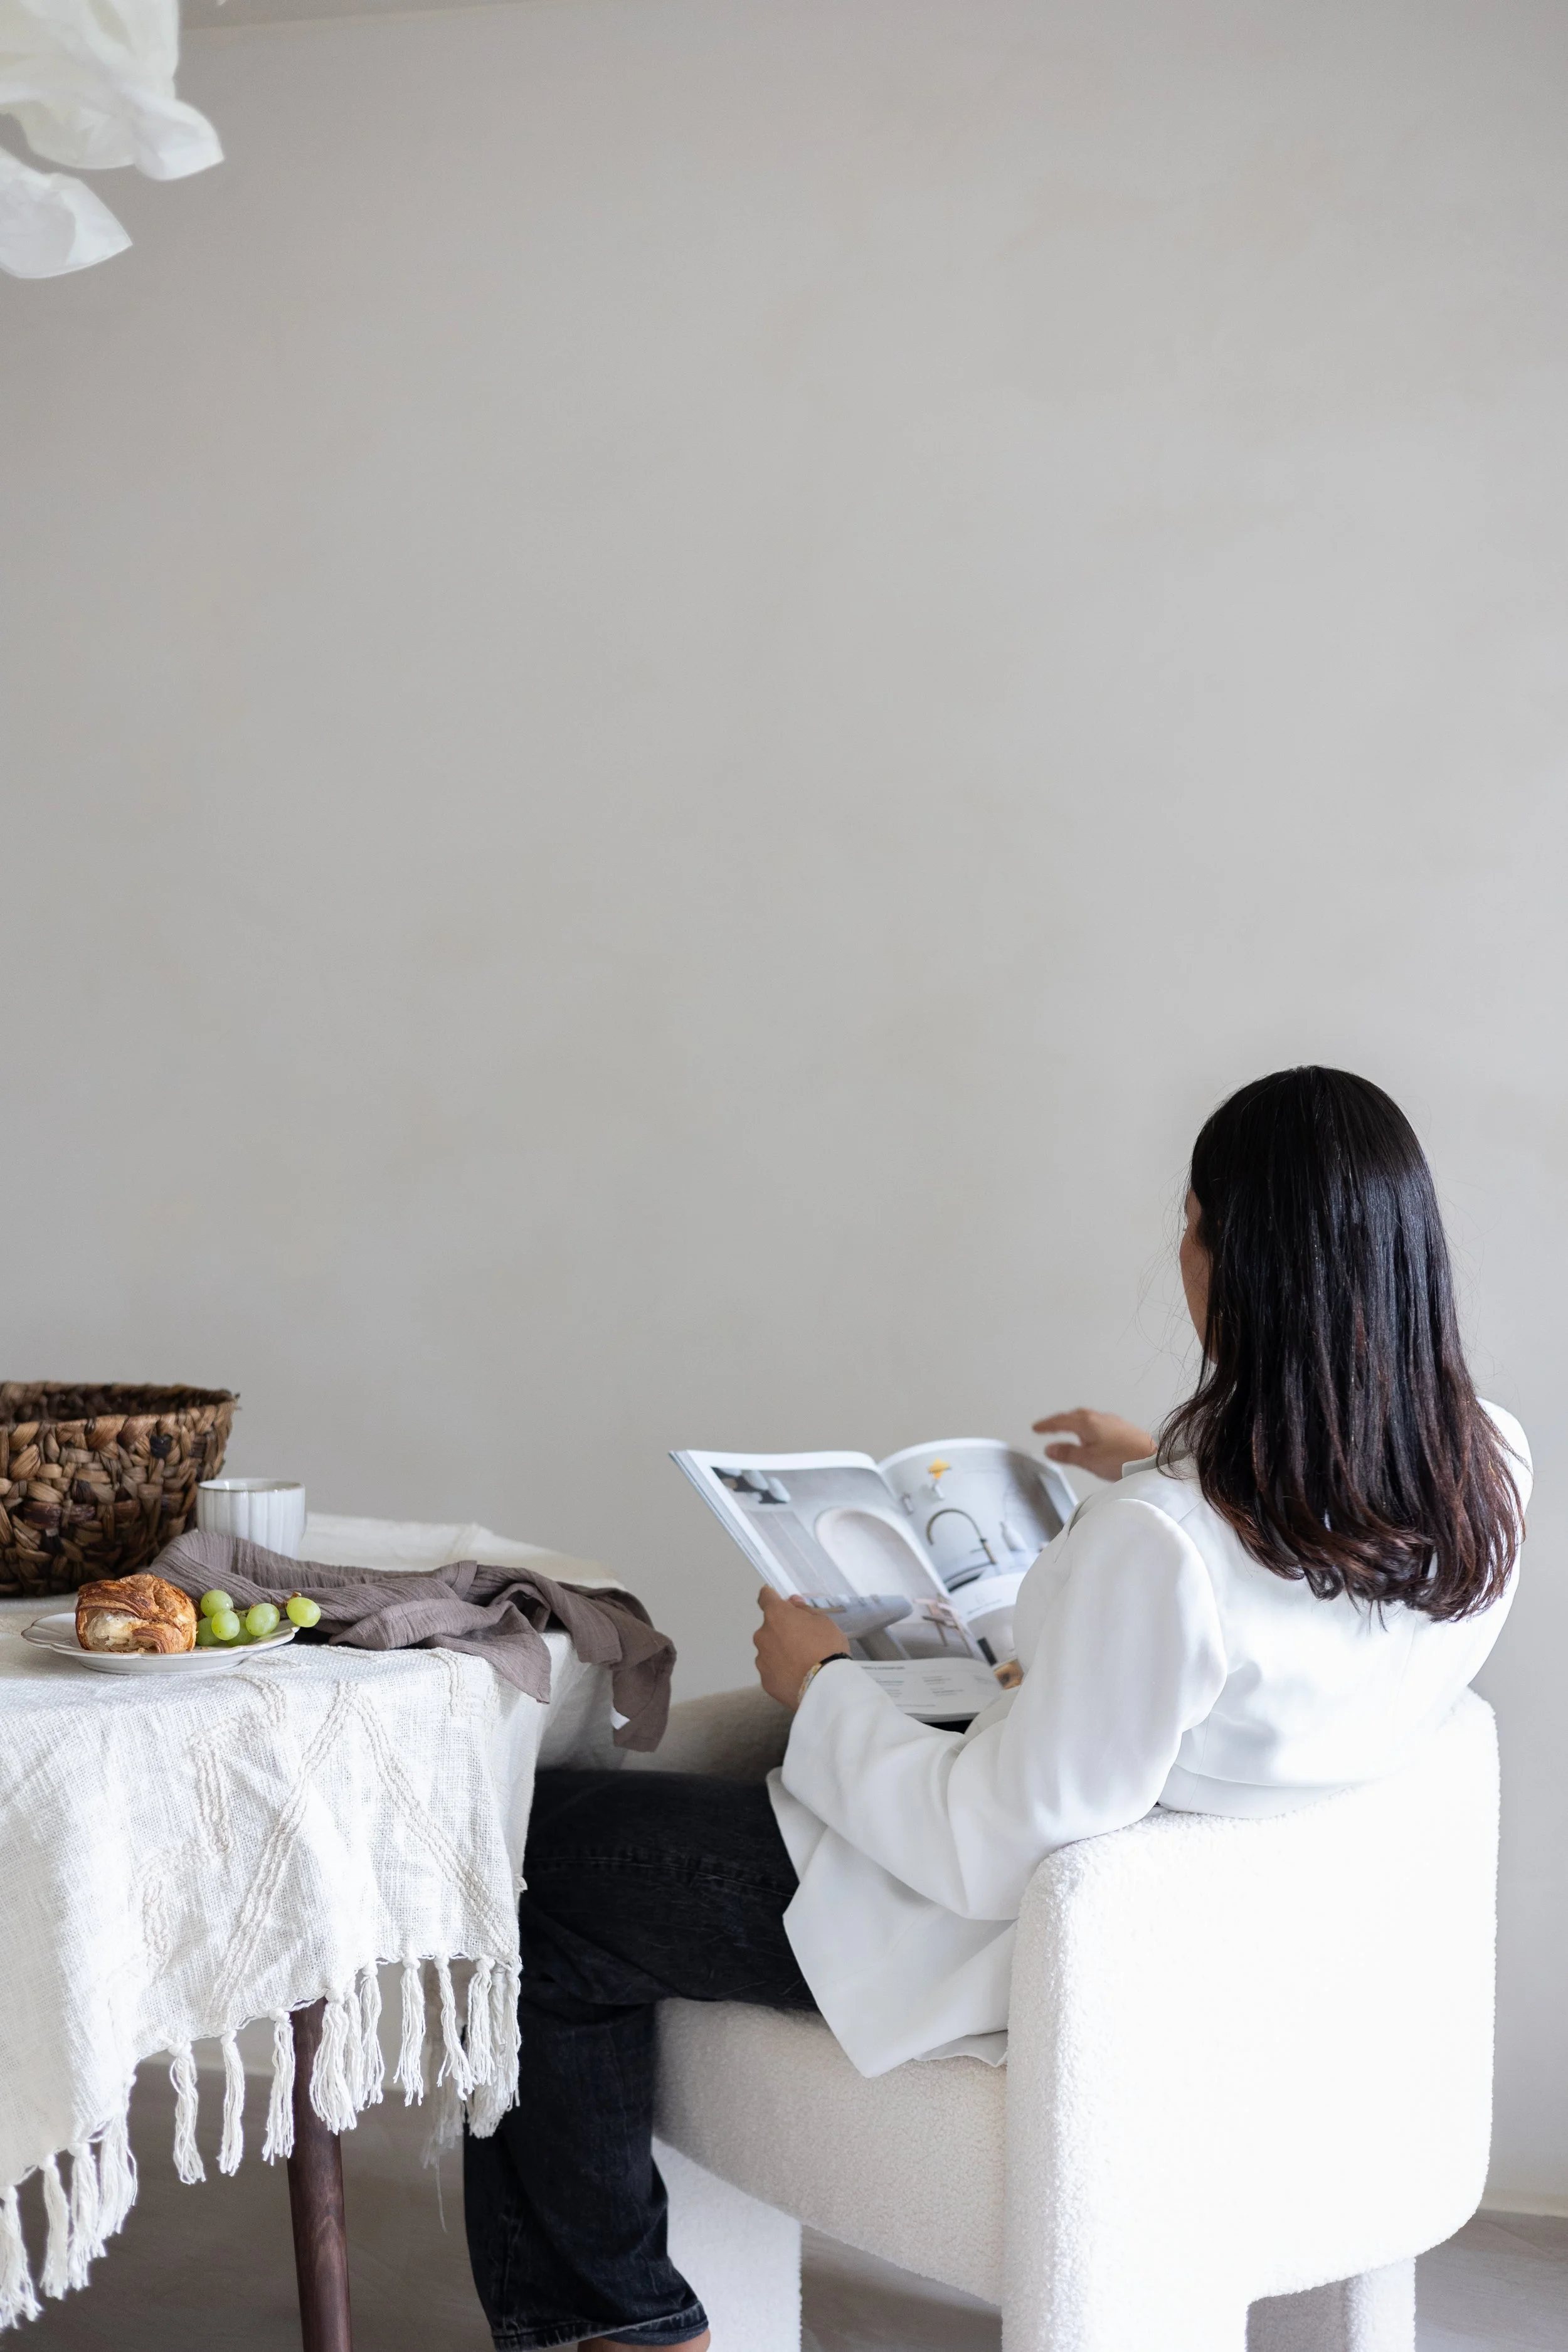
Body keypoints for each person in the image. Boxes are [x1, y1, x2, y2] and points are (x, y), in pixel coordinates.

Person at [464, 1066, 1530, 2352]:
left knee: (522, 1868)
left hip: (994, 1936)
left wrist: (824, 1690)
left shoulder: (1165, 1550)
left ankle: (624, 2327)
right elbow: (1295, 1606)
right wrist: (1158, 1461)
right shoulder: (1480, 1472)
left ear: (1235, 1260)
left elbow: (988, 1852)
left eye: (1190, 1222)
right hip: (1236, 1956)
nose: (1177, 1251)